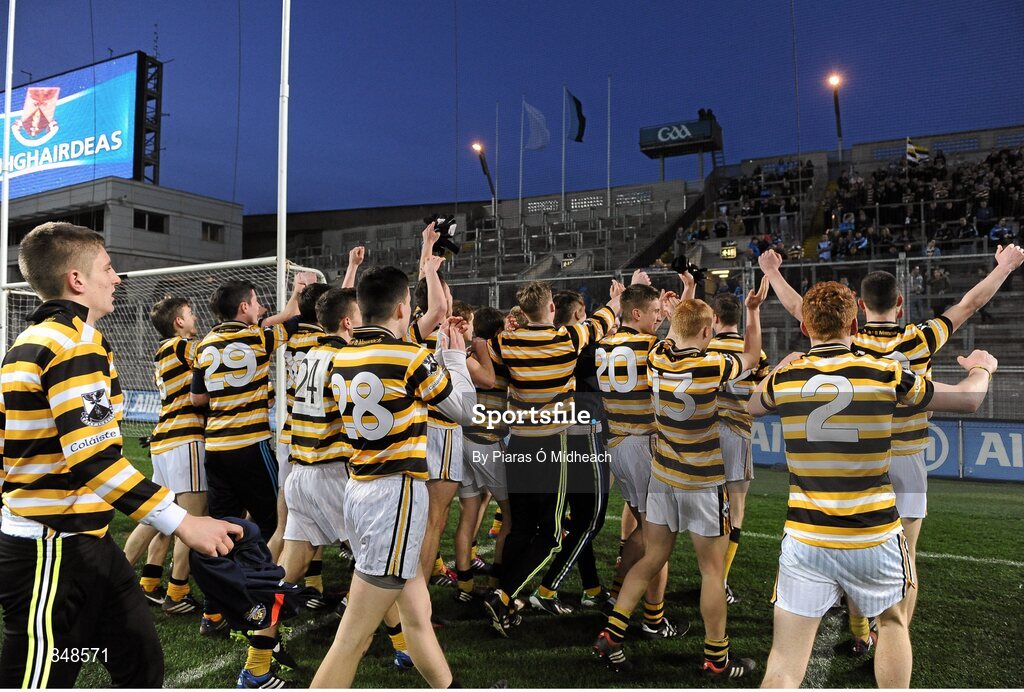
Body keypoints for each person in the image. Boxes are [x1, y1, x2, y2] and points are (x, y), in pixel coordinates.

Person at [0, 222, 240, 688]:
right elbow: (93, 460)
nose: (117, 278)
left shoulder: (29, 344)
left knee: (140, 664)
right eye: (108, 268)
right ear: (77, 280)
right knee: (39, 680)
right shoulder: (72, 344)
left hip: (84, 539)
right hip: (54, 547)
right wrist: (184, 522)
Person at [759, 244, 1024, 643]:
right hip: (909, 459)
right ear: (900, 303)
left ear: (860, 307)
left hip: (862, 459)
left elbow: (803, 310)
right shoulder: (921, 337)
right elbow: (971, 302)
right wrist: (1004, 266)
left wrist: (773, 273)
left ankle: (859, 629)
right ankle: (891, 636)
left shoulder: (851, 341)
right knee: (906, 557)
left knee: (851, 540)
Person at [310, 265, 477, 688]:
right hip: (395, 496)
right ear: (403, 308)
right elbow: (463, 411)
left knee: (416, 614)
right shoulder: (410, 356)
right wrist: (454, 355)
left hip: (360, 486)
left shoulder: (341, 356)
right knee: (352, 639)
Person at [593, 279, 768, 679]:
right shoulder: (712, 366)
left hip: (663, 476)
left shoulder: (657, 357)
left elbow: (673, 334)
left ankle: (611, 633)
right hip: (703, 481)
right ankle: (716, 658)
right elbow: (752, 354)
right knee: (711, 572)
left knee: (652, 558)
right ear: (708, 332)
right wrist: (754, 312)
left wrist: (678, 310)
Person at [483, 277, 625, 636]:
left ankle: (504, 592)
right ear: (550, 309)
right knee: (550, 535)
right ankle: (503, 595)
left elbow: (497, 382)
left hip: (518, 444)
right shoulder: (567, 340)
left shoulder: (505, 342)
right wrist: (619, 297)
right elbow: (603, 321)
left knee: (520, 527)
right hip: (551, 446)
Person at [598, 279, 690, 639]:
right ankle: (654, 619)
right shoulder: (652, 347)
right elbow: (680, 354)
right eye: (654, 312)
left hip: (617, 444)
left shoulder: (604, 344)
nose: (658, 317)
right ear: (636, 312)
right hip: (643, 444)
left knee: (644, 527)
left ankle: (618, 589)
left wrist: (664, 315)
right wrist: (676, 316)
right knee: (659, 537)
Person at [122, 297, 208, 618]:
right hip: (185, 440)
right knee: (192, 519)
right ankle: (178, 592)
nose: (195, 316)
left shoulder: (163, 351)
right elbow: (214, 355)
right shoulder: (183, 347)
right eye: (190, 313)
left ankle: (137, 582)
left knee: (158, 517)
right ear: (178, 323)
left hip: (163, 441)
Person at [706, 294, 769, 606]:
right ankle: (720, 580)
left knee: (704, 510)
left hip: (702, 435)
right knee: (736, 510)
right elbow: (763, 396)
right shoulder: (754, 353)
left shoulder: (704, 349)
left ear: (715, 319)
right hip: (736, 434)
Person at [453, 305, 511, 604]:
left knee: (469, 513)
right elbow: (491, 379)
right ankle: (494, 584)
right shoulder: (495, 356)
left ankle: (464, 585)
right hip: (485, 442)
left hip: (462, 439)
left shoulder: (466, 354)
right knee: (510, 515)